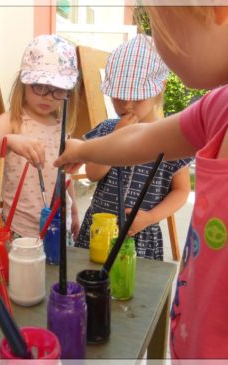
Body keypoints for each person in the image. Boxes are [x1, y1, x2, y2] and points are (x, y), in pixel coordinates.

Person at [54, 5, 228, 360]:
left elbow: (177, 186)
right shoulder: (217, 109)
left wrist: (148, 217)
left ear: (216, 11)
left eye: (158, 26)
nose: (156, 42)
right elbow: (140, 142)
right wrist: (85, 148)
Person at [76, 34, 192, 261]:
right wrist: (114, 140)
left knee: (133, 292)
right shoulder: (107, 129)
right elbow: (92, 174)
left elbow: (181, 190)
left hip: (140, 235)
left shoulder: (171, 138)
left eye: (137, 98)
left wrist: (150, 217)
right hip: (98, 229)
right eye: (118, 97)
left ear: (159, 89)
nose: (126, 105)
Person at [0, 34, 80, 241]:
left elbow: (66, 177)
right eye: (39, 86)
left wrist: (75, 209)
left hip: (58, 227)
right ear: (23, 83)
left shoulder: (62, 127)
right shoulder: (11, 121)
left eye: (58, 90)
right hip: (19, 228)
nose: (49, 96)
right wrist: (9, 141)